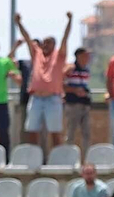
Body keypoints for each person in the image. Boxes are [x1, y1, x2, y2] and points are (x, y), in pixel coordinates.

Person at [18, 12, 73, 152]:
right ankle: (34, 157)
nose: (45, 45)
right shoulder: (37, 54)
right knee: (32, 129)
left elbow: (65, 39)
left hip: (53, 98)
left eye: (48, 42)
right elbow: (27, 38)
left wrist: (69, 21)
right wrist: (19, 23)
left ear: (54, 45)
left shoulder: (59, 56)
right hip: (36, 98)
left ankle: (57, 160)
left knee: (55, 132)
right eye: (44, 42)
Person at [63, 45, 94, 151]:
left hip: (84, 104)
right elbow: (62, 85)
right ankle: (67, 156)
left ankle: (86, 159)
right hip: (73, 104)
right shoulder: (70, 69)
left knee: (87, 133)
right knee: (71, 132)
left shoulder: (86, 70)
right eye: (86, 55)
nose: (88, 57)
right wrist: (75, 90)